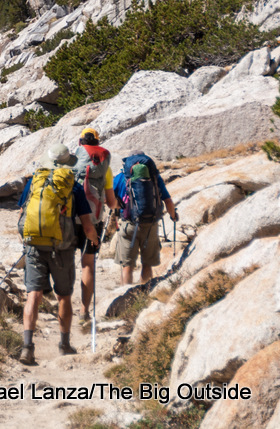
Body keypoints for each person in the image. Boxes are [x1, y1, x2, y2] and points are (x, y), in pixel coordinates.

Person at [17, 142, 99, 365]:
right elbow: (87, 224)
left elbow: (22, 215)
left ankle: (27, 347)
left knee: (33, 294)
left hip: (34, 246)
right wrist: (93, 240)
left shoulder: (34, 182)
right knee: (63, 296)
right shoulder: (72, 187)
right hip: (61, 249)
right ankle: (64, 344)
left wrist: (27, 245)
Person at [72, 127, 120, 323]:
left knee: (65, 262)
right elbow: (110, 202)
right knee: (88, 266)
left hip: (71, 218)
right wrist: (116, 207)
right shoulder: (105, 169)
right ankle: (84, 311)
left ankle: (62, 306)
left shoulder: (72, 163)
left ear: (80, 143)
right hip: (94, 220)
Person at [112, 151, 178, 285]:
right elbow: (168, 201)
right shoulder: (155, 178)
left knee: (127, 266)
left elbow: (111, 201)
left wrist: (118, 208)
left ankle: (126, 298)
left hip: (128, 225)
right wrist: (173, 216)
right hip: (150, 225)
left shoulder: (120, 178)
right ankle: (145, 293)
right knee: (147, 264)